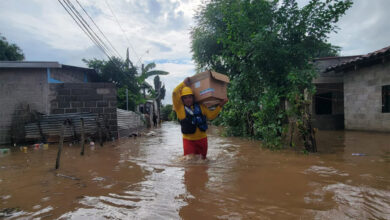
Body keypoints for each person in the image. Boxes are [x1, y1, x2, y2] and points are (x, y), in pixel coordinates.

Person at [172, 77, 228, 159]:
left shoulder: (201, 106)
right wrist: (183, 83)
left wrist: (220, 106)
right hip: (188, 141)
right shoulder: (179, 108)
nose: (188, 100)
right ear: (182, 99)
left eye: (190, 97)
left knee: (203, 162)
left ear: (193, 97)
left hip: (202, 140)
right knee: (189, 163)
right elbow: (174, 93)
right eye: (185, 97)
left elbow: (211, 116)